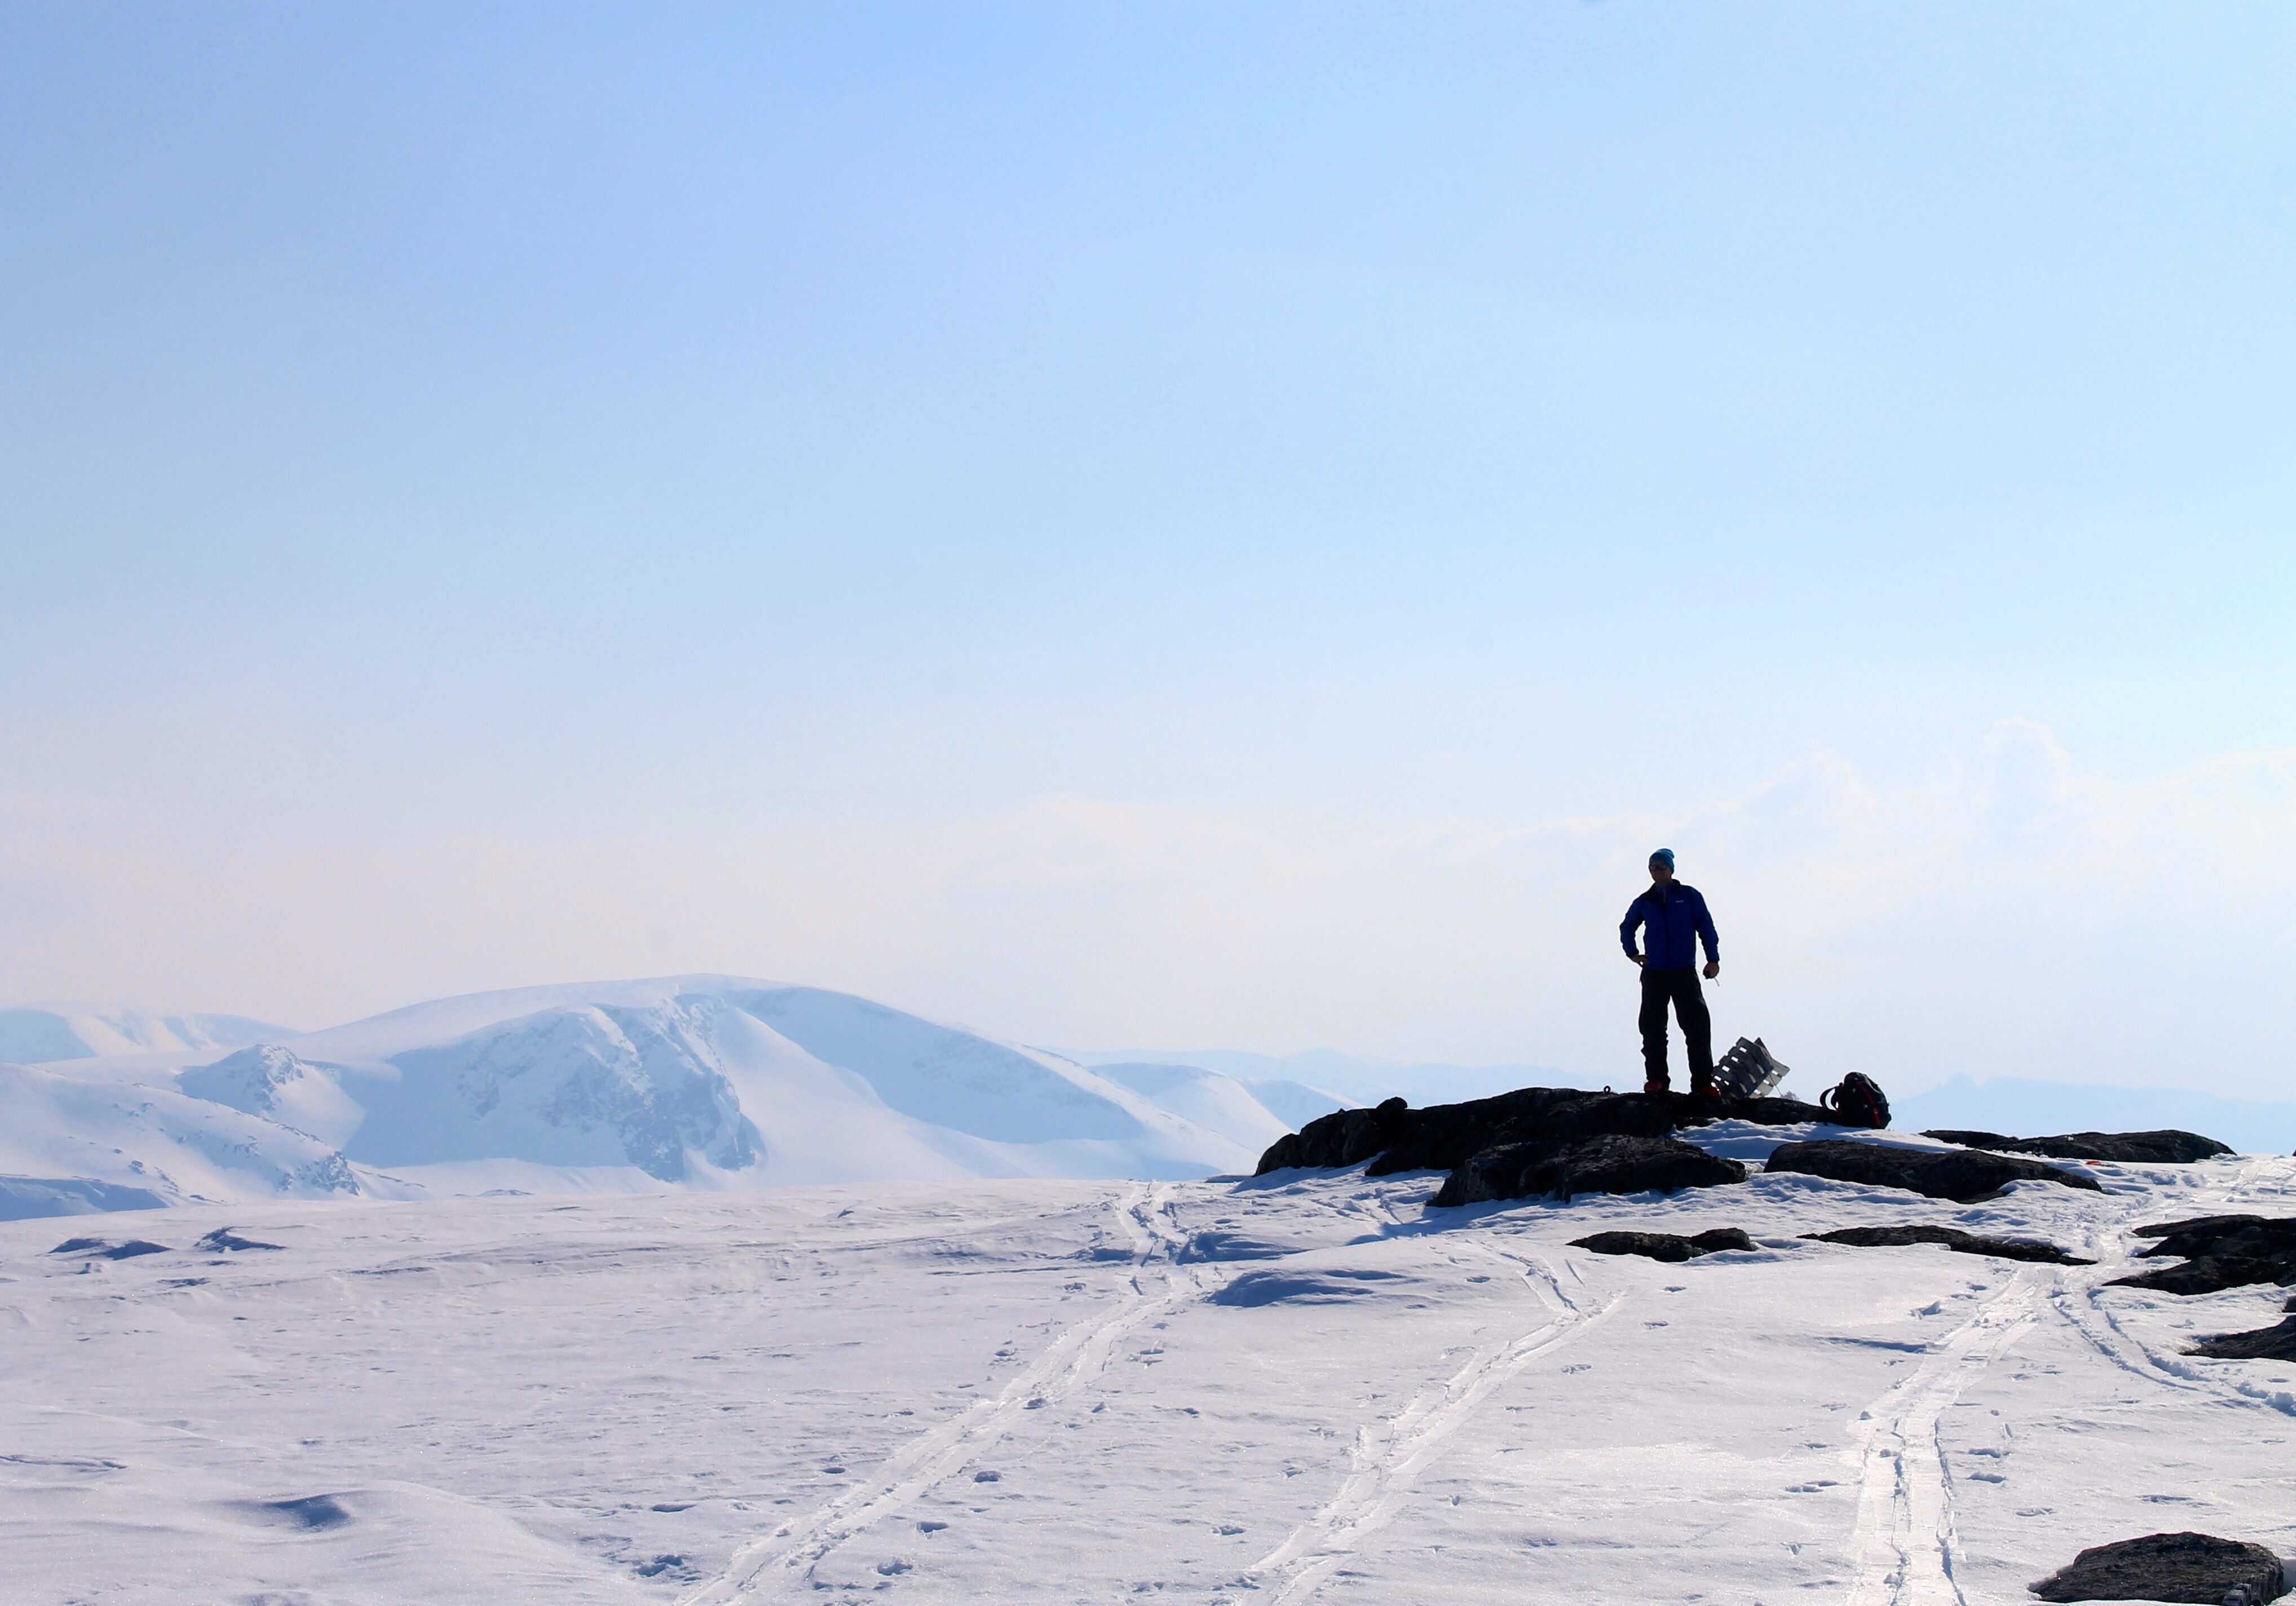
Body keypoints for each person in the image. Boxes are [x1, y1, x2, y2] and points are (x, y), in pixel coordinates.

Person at [1618, 848, 1720, 1096]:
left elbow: (1706, 927)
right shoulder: (1645, 900)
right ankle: (1657, 1081)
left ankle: (1703, 1084)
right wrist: (1633, 954)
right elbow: (1627, 927)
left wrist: (1713, 959)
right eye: (1653, 868)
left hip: (1684, 971)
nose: (1657, 872)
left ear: (1671, 869)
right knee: (1652, 1028)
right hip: (1654, 973)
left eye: (1662, 867)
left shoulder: (1689, 896)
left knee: (1697, 1028)